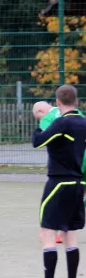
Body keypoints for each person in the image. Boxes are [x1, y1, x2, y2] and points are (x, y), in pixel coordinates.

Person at [23, 85, 86, 278]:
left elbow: (38, 141)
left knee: (48, 231)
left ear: (58, 103)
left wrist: (40, 122)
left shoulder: (62, 122)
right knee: (70, 233)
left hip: (59, 183)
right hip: (79, 182)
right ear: (76, 101)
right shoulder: (83, 122)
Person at [33, 100, 86, 244]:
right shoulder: (77, 114)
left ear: (40, 113)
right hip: (82, 157)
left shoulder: (48, 119)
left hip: (71, 165)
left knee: (59, 198)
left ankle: (54, 231)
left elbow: (44, 139)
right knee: (80, 191)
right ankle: (67, 230)